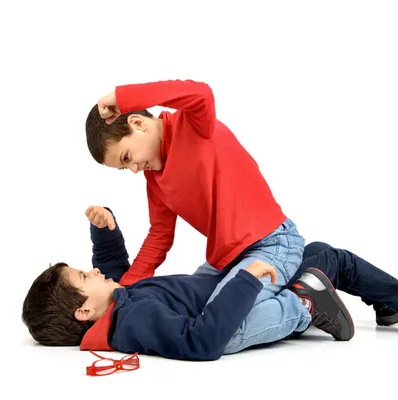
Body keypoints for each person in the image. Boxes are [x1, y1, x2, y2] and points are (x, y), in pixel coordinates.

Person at [84, 79, 336, 347]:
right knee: (197, 315)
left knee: (221, 333)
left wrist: (124, 97)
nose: (134, 169)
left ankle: (304, 305)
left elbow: (200, 93)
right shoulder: (155, 179)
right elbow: (159, 235)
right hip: (226, 259)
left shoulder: (192, 125)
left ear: (137, 123)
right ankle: (295, 285)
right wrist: (126, 288)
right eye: (125, 168)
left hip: (271, 243)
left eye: (126, 158)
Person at [21, 206, 354, 361]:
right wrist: (246, 279)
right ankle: (304, 305)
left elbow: (112, 270)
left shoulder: (114, 308)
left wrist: (104, 229)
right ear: (83, 311)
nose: (94, 271)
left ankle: (382, 298)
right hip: (239, 298)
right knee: (330, 260)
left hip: (224, 283)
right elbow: (200, 342)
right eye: (84, 276)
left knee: (321, 255)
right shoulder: (133, 319)